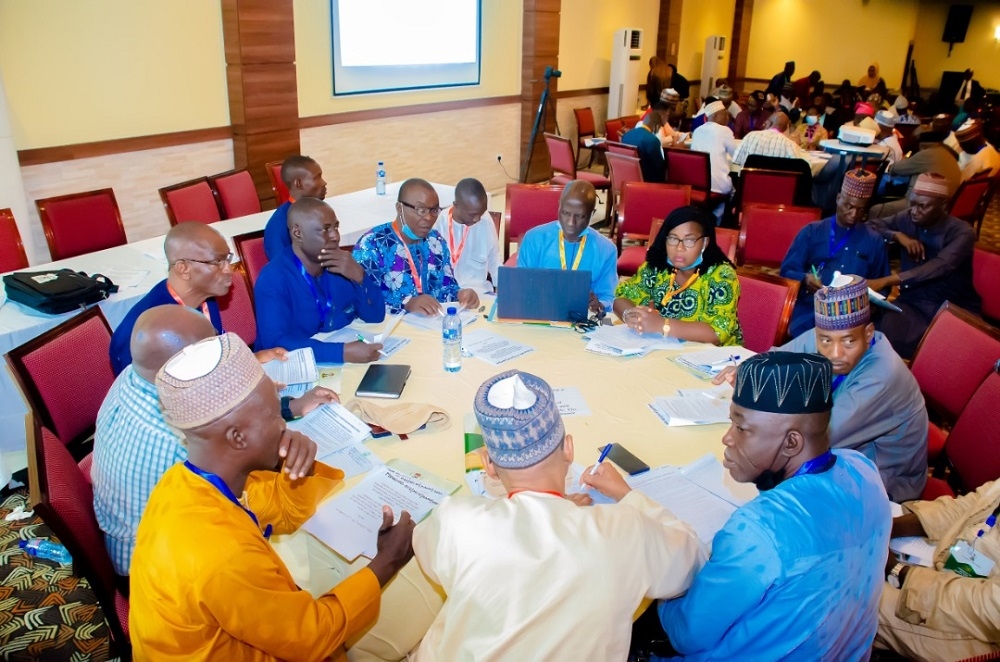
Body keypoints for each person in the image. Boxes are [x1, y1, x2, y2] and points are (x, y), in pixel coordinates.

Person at [129, 333, 416, 660]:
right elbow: (310, 637)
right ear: (238, 437)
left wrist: (298, 468)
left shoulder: (187, 481)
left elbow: (284, 514)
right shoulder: (218, 553)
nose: (285, 424)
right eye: (273, 414)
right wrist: (386, 562)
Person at [409, 369, 705, 661]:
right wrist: (628, 496)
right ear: (569, 448)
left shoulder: (456, 521)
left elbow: (427, 551)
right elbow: (691, 560)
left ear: (488, 466)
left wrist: (552, 512)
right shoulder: (625, 531)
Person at [655, 352, 892, 660]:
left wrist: (662, 582)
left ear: (791, 443)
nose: (727, 438)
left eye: (742, 428)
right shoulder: (863, 470)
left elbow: (686, 634)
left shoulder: (758, 529)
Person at [93, 305, 337, 579]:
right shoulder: (181, 442)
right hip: (161, 570)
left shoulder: (137, 375)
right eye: (211, 351)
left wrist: (279, 411)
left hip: (135, 533)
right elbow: (269, 508)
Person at [715, 276, 928, 501]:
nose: (835, 354)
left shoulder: (884, 374)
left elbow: (817, 438)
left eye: (849, 342)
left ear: (867, 334)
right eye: (825, 340)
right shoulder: (828, 336)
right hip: (846, 452)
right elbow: (778, 358)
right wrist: (751, 370)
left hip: (883, 478)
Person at [876, 480, 1000, 660]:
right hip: (958, 568)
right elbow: (970, 506)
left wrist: (899, 572)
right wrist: (890, 527)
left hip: (983, 630)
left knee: (858, 595)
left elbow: (988, 607)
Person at [254, 198, 386, 364]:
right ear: (297, 233)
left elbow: (375, 316)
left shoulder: (341, 264)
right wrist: (340, 352)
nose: (336, 236)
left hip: (335, 359)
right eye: (325, 229)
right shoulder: (273, 278)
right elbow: (275, 343)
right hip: (290, 368)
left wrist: (360, 277)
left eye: (336, 227)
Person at [868, 173, 980, 359]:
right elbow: (870, 226)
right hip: (912, 301)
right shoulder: (908, 218)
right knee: (873, 331)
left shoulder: (962, 232)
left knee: (941, 352)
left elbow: (940, 266)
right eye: (912, 203)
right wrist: (897, 236)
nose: (914, 211)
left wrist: (887, 280)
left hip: (951, 307)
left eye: (923, 206)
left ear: (943, 206)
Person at [110, 222, 233, 375]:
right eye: (218, 262)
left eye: (228, 259)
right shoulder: (149, 333)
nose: (229, 269)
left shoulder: (206, 298)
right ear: (184, 269)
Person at [780, 169, 888, 337]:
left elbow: (882, 289)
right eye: (849, 206)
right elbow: (786, 272)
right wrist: (805, 278)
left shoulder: (874, 241)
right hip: (811, 309)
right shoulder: (812, 231)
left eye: (860, 210)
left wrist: (869, 302)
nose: (854, 214)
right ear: (838, 199)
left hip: (851, 317)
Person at [613, 206, 742, 346]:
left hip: (714, 358)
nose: (679, 248)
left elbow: (717, 333)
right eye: (673, 239)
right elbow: (621, 297)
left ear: (705, 242)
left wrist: (662, 325)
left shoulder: (721, 275)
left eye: (689, 241)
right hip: (664, 348)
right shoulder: (657, 267)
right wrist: (629, 315)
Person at [353, 178, 479, 314]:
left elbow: (447, 288)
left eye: (434, 210)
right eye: (421, 210)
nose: (429, 218)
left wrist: (460, 294)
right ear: (399, 208)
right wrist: (406, 305)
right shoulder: (372, 245)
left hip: (433, 327)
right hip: (389, 332)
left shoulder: (435, 241)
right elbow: (361, 302)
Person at [517, 180, 618, 316]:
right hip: (539, 314)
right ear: (559, 206)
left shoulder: (606, 250)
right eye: (565, 213)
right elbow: (521, 285)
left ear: (592, 214)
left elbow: (609, 297)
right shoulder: (534, 239)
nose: (571, 222)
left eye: (580, 216)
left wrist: (599, 303)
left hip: (581, 320)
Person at [431, 178, 500, 294]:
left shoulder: (485, 220)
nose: (477, 219)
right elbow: (432, 266)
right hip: (447, 293)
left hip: (479, 293)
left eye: (481, 212)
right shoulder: (440, 223)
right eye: (472, 214)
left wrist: (502, 289)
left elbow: (495, 259)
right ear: (456, 205)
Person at [869, 132, 962, 219]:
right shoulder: (947, 154)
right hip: (941, 207)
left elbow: (894, 168)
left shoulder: (928, 154)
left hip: (922, 207)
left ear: (922, 146)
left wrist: (906, 160)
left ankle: (872, 236)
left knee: (875, 210)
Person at [263, 155, 328, 259]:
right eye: (317, 177)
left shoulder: (321, 212)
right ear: (299, 183)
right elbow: (282, 268)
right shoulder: (280, 224)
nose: (324, 182)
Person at [689, 99, 738, 204]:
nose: (728, 118)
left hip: (698, 185)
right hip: (719, 187)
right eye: (725, 115)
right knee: (736, 192)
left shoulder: (697, 131)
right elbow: (737, 156)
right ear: (714, 116)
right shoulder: (725, 130)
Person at [732, 110, 807, 166]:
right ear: (785, 128)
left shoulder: (751, 136)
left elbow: (736, 160)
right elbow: (799, 167)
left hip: (749, 185)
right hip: (777, 185)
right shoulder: (789, 144)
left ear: (769, 123)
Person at [621, 108, 668, 183]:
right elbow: (659, 167)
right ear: (656, 126)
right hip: (646, 182)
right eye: (659, 127)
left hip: (626, 178)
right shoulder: (653, 140)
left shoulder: (626, 135)